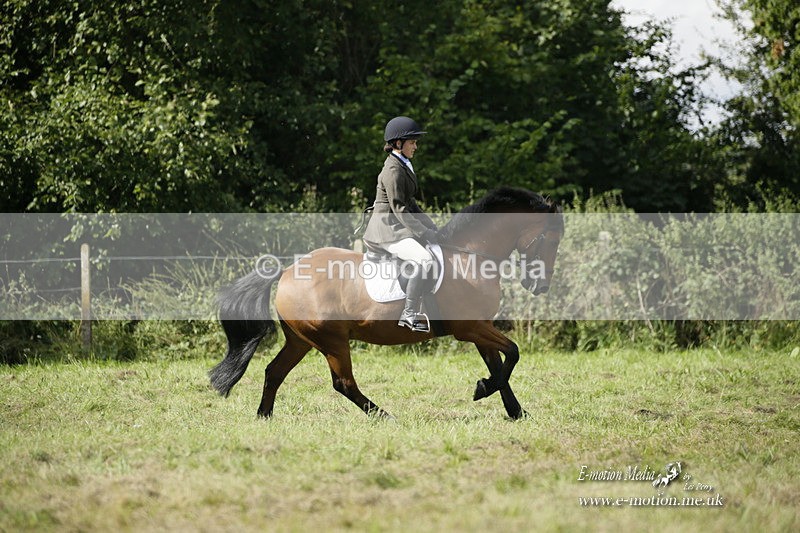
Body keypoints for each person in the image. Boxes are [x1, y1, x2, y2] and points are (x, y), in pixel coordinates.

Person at [363, 116, 438, 333]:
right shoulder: (393, 170)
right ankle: (409, 314)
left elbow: (411, 203)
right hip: (386, 230)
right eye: (412, 142)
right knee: (425, 260)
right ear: (398, 144)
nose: (416, 146)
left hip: (397, 226)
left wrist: (432, 228)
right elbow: (399, 208)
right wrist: (423, 233)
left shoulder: (403, 164)